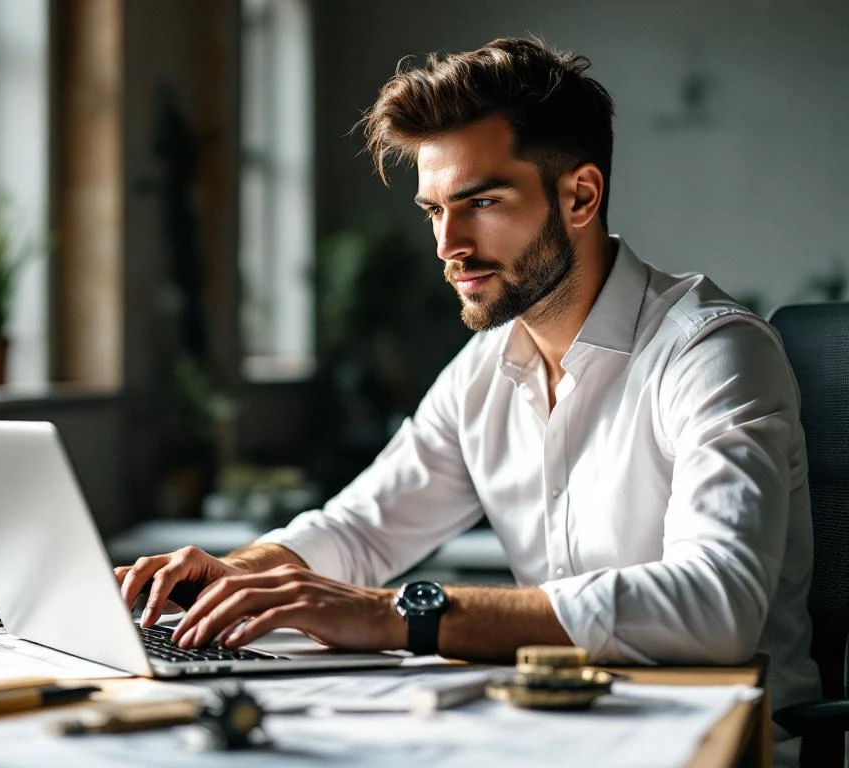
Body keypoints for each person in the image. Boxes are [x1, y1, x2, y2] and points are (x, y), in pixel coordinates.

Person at [118, 37, 819, 763]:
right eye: (433, 209)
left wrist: (399, 615)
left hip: (719, 742)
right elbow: (362, 529)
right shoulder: (487, 366)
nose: (448, 244)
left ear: (580, 195)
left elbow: (714, 607)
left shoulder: (712, 352)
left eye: (481, 202)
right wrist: (242, 573)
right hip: (555, 734)